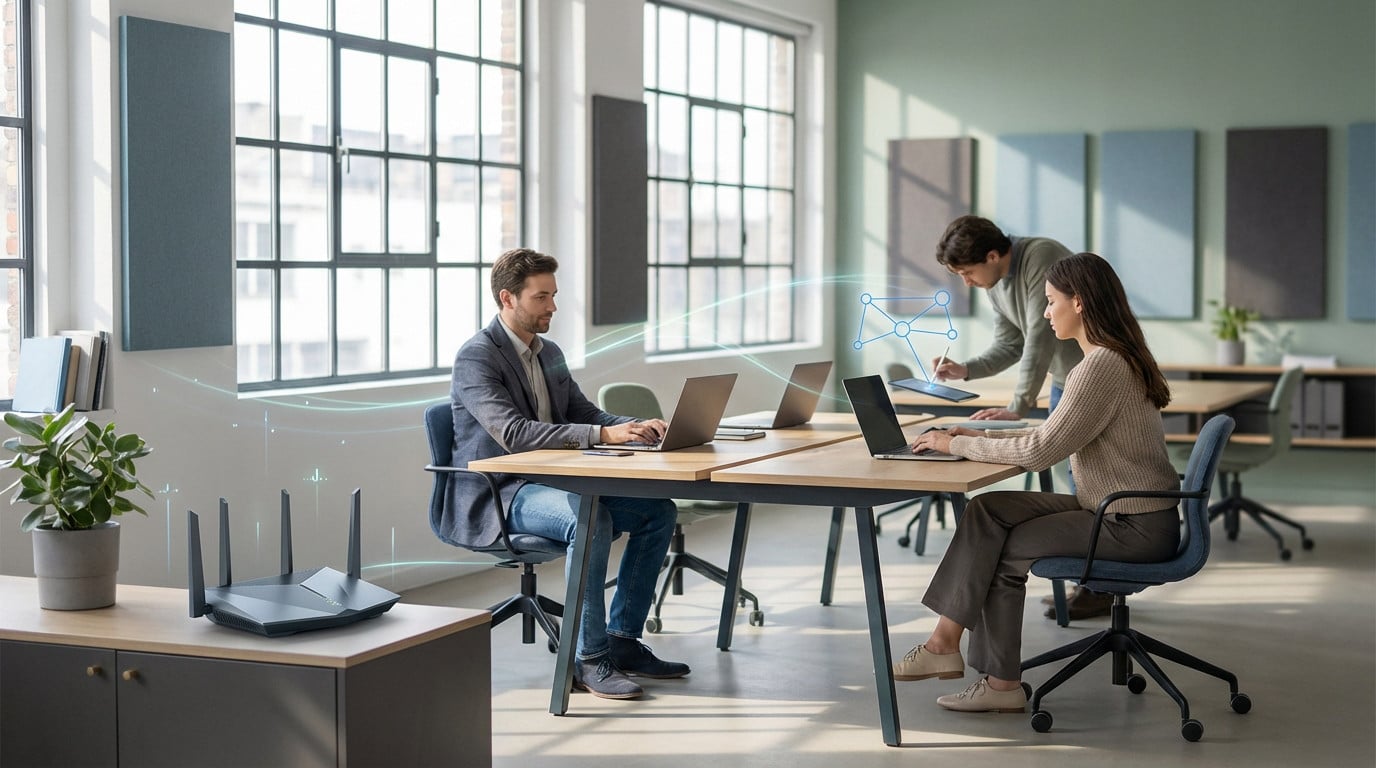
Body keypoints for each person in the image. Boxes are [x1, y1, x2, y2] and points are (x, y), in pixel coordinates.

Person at [895, 251, 1179, 713]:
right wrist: (976, 434)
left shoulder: (1098, 368)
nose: (1045, 313)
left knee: (1005, 550)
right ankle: (944, 643)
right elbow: (1051, 435)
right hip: (1122, 509)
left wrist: (955, 446)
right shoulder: (1109, 359)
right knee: (990, 510)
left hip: (1132, 525)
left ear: (1080, 303)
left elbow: (1039, 453)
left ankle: (1000, 684)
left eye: (1051, 302)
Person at [442, 247, 687, 701]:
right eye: (541, 297)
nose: (553, 307)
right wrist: (601, 434)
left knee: (657, 512)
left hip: (551, 482)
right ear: (507, 299)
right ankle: (588, 659)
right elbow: (513, 433)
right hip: (501, 493)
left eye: (554, 295)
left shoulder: (547, 351)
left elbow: (582, 411)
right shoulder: (476, 358)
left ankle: (622, 641)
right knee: (590, 519)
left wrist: (630, 428)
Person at [933, 215, 1111, 620]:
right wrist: (967, 369)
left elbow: (1040, 337)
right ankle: (1094, 584)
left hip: (1091, 375)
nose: (967, 283)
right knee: (1077, 477)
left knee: (1088, 480)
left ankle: (1100, 586)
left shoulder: (1040, 258)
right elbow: (1010, 343)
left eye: (967, 272)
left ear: (993, 255)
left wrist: (1019, 405)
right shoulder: (997, 282)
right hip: (1069, 378)